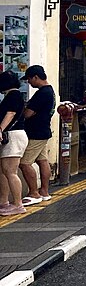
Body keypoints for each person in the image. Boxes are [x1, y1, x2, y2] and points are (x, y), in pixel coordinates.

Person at [20, 65, 55, 207]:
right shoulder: (50, 90)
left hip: (35, 133)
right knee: (42, 161)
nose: (28, 82)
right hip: (43, 131)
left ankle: (34, 193)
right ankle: (44, 191)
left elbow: (28, 113)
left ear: (36, 77)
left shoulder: (42, 93)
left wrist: (24, 110)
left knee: (24, 163)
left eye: (29, 79)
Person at [0, 71, 28, 215]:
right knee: (4, 171)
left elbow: (10, 114)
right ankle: (4, 201)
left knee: (10, 171)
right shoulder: (15, 95)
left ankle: (18, 204)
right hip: (13, 135)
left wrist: (0, 129)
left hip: (13, 136)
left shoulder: (13, 96)